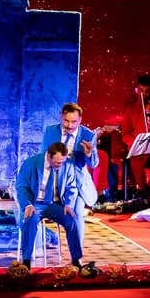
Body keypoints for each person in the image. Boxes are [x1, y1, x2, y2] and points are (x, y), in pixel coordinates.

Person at [15, 141, 86, 270]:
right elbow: (21, 187)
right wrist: (27, 205)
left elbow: (72, 187)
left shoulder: (67, 165)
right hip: (34, 203)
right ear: (48, 155)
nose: (60, 165)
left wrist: (69, 204)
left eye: (62, 162)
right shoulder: (31, 163)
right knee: (30, 220)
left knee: (72, 220)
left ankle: (76, 260)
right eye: (57, 162)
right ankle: (26, 262)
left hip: (53, 204)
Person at [40, 102, 101, 250]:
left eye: (74, 121)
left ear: (80, 120)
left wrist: (88, 154)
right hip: (54, 181)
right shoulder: (50, 131)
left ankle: (77, 254)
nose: (70, 125)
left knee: (77, 212)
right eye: (66, 121)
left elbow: (94, 164)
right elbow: (43, 156)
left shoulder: (88, 135)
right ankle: (37, 247)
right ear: (61, 117)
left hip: (76, 183)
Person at [120, 75, 150, 198]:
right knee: (135, 158)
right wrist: (136, 143)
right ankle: (142, 189)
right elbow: (125, 134)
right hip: (140, 145)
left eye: (147, 91)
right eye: (141, 91)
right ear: (137, 90)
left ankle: (149, 188)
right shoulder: (131, 109)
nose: (144, 94)